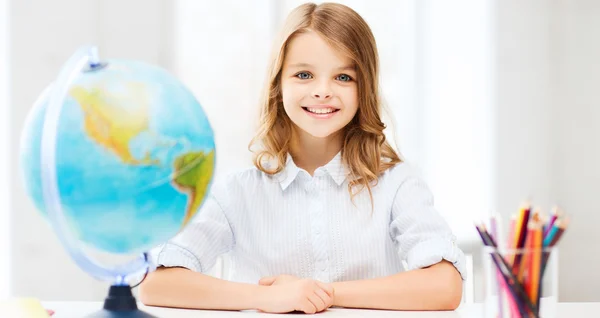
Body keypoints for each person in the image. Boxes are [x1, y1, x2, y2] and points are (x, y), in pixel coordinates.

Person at [140, 2, 465, 314]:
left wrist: (323, 293)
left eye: (343, 77)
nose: (323, 90)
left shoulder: (396, 183)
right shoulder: (238, 190)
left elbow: (445, 286)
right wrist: (268, 297)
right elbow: (157, 284)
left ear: (363, 89)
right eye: (304, 75)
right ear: (278, 85)